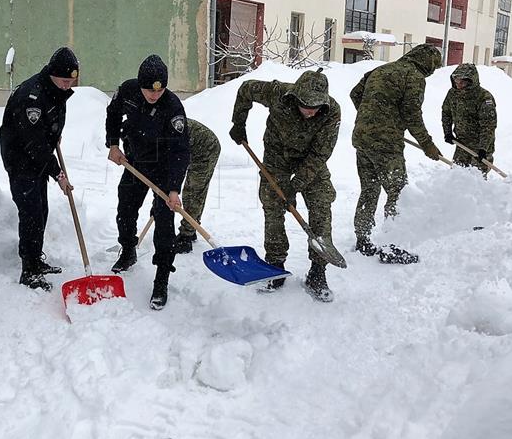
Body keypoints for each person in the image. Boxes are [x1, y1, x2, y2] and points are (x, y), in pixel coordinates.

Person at [229, 69, 340, 302]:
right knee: (273, 207)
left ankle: (318, 271)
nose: (310, 112)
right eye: (306, 105)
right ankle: (275, 265)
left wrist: (296, 184)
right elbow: (245, 89)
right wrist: (238, 122)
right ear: (295, 97)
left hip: (311, 161)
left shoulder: (332, 111)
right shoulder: (277, 92)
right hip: (277, 158)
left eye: (316, 107)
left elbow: (321, 153)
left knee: (321, 206)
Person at [106, 54, 190, 310]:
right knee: (125, 211)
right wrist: (113, 144)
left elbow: (180, 151)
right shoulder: (128, 91)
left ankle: (161, 279)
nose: (154, 95)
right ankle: (128, 250)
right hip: (135, 161)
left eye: (160, 90)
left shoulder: (173, 107)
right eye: (149, 90)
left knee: (164, 225)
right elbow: (113, 114)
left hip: (164, 168)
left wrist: (174, 188)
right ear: (140, 85)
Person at [350, 43, 443, 263]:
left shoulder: (381, 69)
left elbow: (356, 94)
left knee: (369, 189)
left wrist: (372, 118)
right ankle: (392, 247)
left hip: (362, 138)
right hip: (386, 143)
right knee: (398, 193)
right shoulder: (413, 76)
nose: (432, 72)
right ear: (427, 62)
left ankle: (363, 239)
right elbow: (412, 114)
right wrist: (427, 143)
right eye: (434, 67)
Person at [0, 47, 78, 291]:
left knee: (41, 211)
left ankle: (35, 259)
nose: (68, 85)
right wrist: (59, 174)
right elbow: (34, 145)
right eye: (65, 81)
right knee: (31, 214)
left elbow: (49, 125)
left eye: (71, 81)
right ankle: (28, 270)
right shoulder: (30, 97)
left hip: (38, 158)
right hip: (22, 161)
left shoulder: (54, 90)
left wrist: (55, 135)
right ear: (53, 74)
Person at [173, 118, 221, 254]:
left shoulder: (167, 134)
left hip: (206, 148)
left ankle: (186, 236)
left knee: (194, 191)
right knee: (188, 190)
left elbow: (175, 166)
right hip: (191, 146)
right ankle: (191, 225)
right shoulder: (151, 133)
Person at [441, 63, 497, 175]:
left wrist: (483, 148)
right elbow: (446, 113)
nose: (458, 85)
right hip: (462, 143)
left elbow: (488, 126)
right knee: (457, 176)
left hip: (480, 148)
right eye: (456, 81)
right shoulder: (452, 94)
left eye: (462, 82)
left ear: (471, 80)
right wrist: (447, 132)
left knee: (476, 179)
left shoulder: (484, 97)